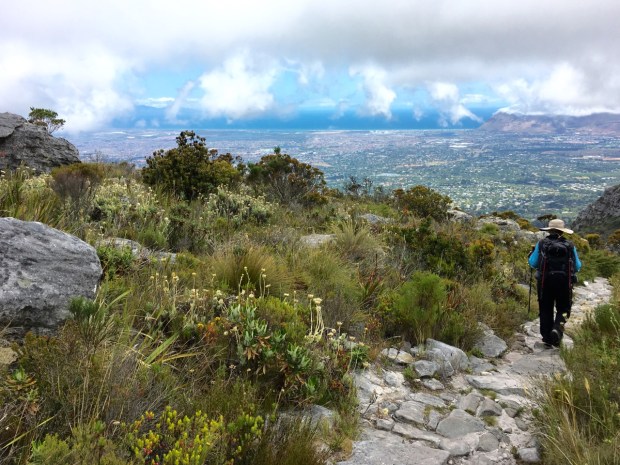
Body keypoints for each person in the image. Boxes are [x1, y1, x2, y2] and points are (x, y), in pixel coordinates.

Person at [528, 218, 582, 347]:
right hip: (564, 283)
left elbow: (533, 263)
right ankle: (557, 330)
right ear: (562, 231)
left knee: (545, 308)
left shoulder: (542, 243)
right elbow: (578, 266)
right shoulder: (569, 245)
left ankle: (547, 337)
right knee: (564, 309)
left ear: (549, 230)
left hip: (544, 283)